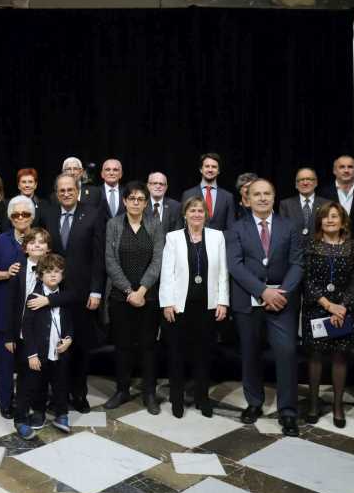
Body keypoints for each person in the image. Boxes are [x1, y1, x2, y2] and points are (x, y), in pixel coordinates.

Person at [225, 179, 304, 436]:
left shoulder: (289, 226)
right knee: (250, 353)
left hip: (282, 300)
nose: (261, 198)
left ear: (274, 196)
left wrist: (280, 292)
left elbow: (297, 263)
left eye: (266, 193)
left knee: (287, 353)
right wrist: (262, 292)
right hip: (248, 301)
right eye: (256, 194)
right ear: (247, 198)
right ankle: (254, 403)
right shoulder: (237, 228)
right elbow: (235, 265)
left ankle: (288, 412)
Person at [39, 173, 106, 413]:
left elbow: (99, 255)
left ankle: (79, 394)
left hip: (82, 293)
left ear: (78, 190)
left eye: (70, 189)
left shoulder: (94, 213)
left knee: (79, 346)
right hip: (54, 292)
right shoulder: (48, 213)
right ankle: (57, 394)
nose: (66, 193)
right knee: (53, 343)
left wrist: (97, 290)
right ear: (56, 193)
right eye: (61, 190)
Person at [159, 195, 229, 418]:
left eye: (201, 211)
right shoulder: (173, 238)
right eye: (193, 211)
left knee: (204, 354)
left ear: (206, 214)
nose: (197, 214)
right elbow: (167, 273)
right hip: (180, 306)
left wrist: (223, 301)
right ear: (185, 214)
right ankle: (177, 399)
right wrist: (167, 302)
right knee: (177, 354)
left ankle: (202, 398)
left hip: (207, 306)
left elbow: (222, 273)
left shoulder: (217, 237)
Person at [302, 202, 354, 428]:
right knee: (316, 356)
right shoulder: (309, 245)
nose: (330, 220)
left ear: (343, 221)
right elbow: (306, 279)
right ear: (319, 221)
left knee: (340, 357)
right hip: (317, 307)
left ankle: (338, 406)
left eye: (334, 216)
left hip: (344, 309)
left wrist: (342, 307)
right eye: (325, 217)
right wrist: (328, 306)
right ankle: (312, 404)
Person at [104, 181, 165, 414]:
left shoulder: (154, 224)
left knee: (149, 346)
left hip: (148, 298)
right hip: (121, 297)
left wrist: (142, 290)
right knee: (122, 346)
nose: (136, 202)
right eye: (132, 198)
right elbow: (110, 261)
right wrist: (130, 292)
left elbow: (158, 260)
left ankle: (149, 393)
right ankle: (122, 390)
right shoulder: (113, 224)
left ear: (146, 202)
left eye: (141, 199)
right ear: (125, 201)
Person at [14, 253, 74, 439]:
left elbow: (70, 322)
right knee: (29, 385)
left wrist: (69, 338)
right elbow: (27, 327)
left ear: (63, 275)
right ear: (40, 275)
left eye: (57, 271)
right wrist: (31, 354)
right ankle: (21, 419)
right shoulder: (34, 296)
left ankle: (61, 414)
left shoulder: (63, 297)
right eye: (48, 272)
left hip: (58, 352)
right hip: (37, 353)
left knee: (60, 384)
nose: (53, 275)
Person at [0, 195, 36, 418]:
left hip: (33, 311)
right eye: (16, 214)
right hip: (6, 309)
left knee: (32, 359)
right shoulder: (1, 241)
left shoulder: (39, 239)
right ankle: (5, 402)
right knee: (6, 360)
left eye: (25, 214)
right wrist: (6, 273)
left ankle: (30, 400)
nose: (20, 218)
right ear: (10, 217)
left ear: (32, 216)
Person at [181, 153, 236, 231]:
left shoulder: (228, 197)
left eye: (214, 167)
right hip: (194, 241)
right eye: (207, 166)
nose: (210, 170)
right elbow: (183, 223)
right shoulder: (188, 194)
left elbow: (231, 227)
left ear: (218, 171)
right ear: (201, 169)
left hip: (220, 242)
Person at [279, 168, 329, 239]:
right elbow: (283, 232)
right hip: (293, 249)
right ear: (296, 185)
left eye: (309, 179)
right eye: (301, 180)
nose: (305, 183)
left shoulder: (327, 204)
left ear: (316, 183)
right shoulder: (286, 205)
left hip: (320, 248)